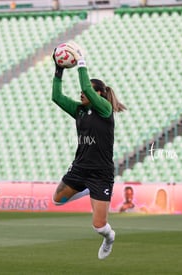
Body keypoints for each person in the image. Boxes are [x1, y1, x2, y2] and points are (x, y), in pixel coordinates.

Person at [51, 41, 126, 260]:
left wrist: (81, 60)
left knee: (99, 226)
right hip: (80, 168)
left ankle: (110, 238)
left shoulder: (104, 109)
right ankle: (84, 190)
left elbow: (85, 88)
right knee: (57, 200)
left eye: (89, 92)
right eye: (83, 92)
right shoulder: (80, 111)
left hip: (100, 173)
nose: (82, 94)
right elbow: (56, 97)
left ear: (100, 94)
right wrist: (58, 70)